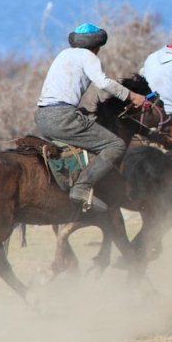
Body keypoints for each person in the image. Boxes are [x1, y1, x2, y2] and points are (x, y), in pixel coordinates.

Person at [35, 23, 147, 212]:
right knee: (116, 145)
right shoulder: (89, 56)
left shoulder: (64, 54)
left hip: (43, 116)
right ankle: (82, 187)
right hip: (62, 117)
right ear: (97, 46)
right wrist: (133, 96)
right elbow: (103, 83)